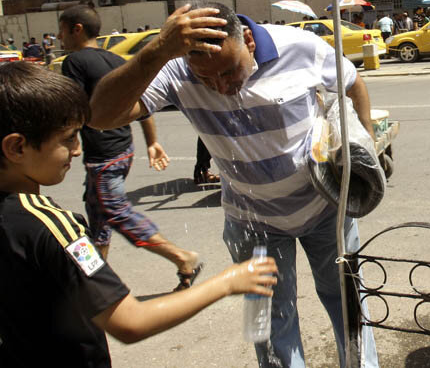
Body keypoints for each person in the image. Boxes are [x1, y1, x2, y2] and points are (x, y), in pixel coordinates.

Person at [87, 2, 380, 368]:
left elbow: (353, 84)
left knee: (346, 301)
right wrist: (156, 51)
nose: (221, 87)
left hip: (324, 209)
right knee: (270, 326)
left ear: (248, 42)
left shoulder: (300, 46)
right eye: (206, 80)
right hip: (252, 223)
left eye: (228, 71)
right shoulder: (176, 69)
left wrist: (364, 146)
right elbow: (99, 117)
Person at [0, 61, 278, 368]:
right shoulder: (53, 227)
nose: (77, 150)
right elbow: (130, 321)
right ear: (17, 147)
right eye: (68, 139)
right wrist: (227, 282)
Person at [57, 5, 202, 290]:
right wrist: (152, 142)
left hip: (103, 155)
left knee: (117, 214)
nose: (58, 38)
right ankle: (94, 282)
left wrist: (67, 141)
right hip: (122, 150)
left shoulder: (74, 63)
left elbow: (69, 110)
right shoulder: (114, 59)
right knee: (98, 218)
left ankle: (183, 258)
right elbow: (141, 105)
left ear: (77, 29)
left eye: (61, 31)